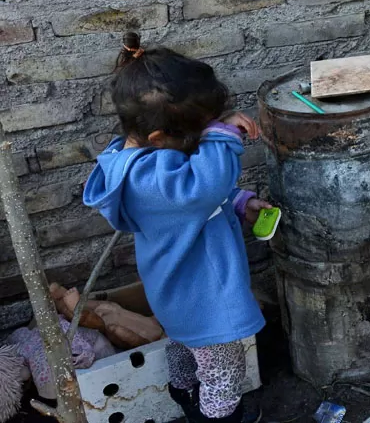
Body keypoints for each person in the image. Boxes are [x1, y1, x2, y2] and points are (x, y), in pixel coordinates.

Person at [83, 33, 268, 423]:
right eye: (202, 133)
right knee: (224, 370)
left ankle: (184, 393)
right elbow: (203, 187)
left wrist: (238, 202)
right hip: (203, 298)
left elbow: (198, 199)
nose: (210, 135)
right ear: (160, 137)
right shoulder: (149, 178)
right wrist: (223, 134)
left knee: (185, 346)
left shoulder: (149, 165)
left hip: (177, 295)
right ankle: (217, 415)